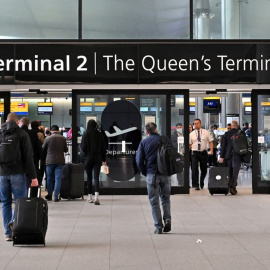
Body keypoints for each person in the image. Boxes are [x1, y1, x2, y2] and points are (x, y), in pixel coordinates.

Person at [0, 113, 38, 241]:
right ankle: (15, 226)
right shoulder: (22, 134)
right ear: (18, 122)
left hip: (2, 174)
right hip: (18, 173)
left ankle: (7, 232)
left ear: (6, 121)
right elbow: (28, 157)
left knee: (5, 203)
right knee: (19, 202)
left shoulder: (1, 133)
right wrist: (33, 176)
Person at [136, 122, 172, 234]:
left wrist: (145, 172)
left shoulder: (144, 142)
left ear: (146, 132)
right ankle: (167, 220)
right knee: (165, 198)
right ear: (156, 130)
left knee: (154, 201)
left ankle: (158, 227)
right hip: (165, 174)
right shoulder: (165, 140)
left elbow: (138, 161)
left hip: (152, 174)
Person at [81, 120, 107, 205]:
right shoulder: (99, 135)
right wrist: (104, 159)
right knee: (96, 178)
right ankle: (96, 197)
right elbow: (103, 148)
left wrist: (85, 154)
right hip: (97, 158)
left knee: (89, 177)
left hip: (88, 158)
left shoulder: (85, 134)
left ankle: (89, 197)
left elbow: (83, 147)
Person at [219, 120, 246, 195]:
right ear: (237, 125)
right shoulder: (242, 133)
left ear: (231, 126)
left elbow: (223, 146)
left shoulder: (226, 134)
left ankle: (230, 185)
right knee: (235, 172)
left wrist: (221, 156)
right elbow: (245, 145)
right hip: (238, 155)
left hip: (228, 156)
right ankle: (232, 187)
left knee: (229, 171)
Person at [42, 125, 68, 202]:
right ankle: (56, 196)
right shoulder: (63, 138)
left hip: (49, 161)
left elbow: (43, 148)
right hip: (60, 160)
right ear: (58, 130)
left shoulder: (47, 138)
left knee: (49, 178)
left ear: (51, 131)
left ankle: (49, 194)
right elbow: (66, 150)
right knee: (58, 179)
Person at [189, 118, 214, 190]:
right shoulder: (191, 134)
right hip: (194, 152)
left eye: (197, 123)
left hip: (203, 152)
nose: (196, 125)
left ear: (200, 124)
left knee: (204, 169)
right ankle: (196, 184)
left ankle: (201, 180)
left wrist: (211, 149)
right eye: (195, 124)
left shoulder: (206, 132)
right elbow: (190, 144)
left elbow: (211, 141)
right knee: (194, 168)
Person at [19, 117, 42, 188]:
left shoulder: (17, 133)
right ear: (28, 124)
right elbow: (39, 148)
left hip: (18, 162)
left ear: (20, 123)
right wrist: (38, 159)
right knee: (30, 180)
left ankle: (21, 198)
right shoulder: (33, 134)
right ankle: (31, 196)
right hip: (32, 161)